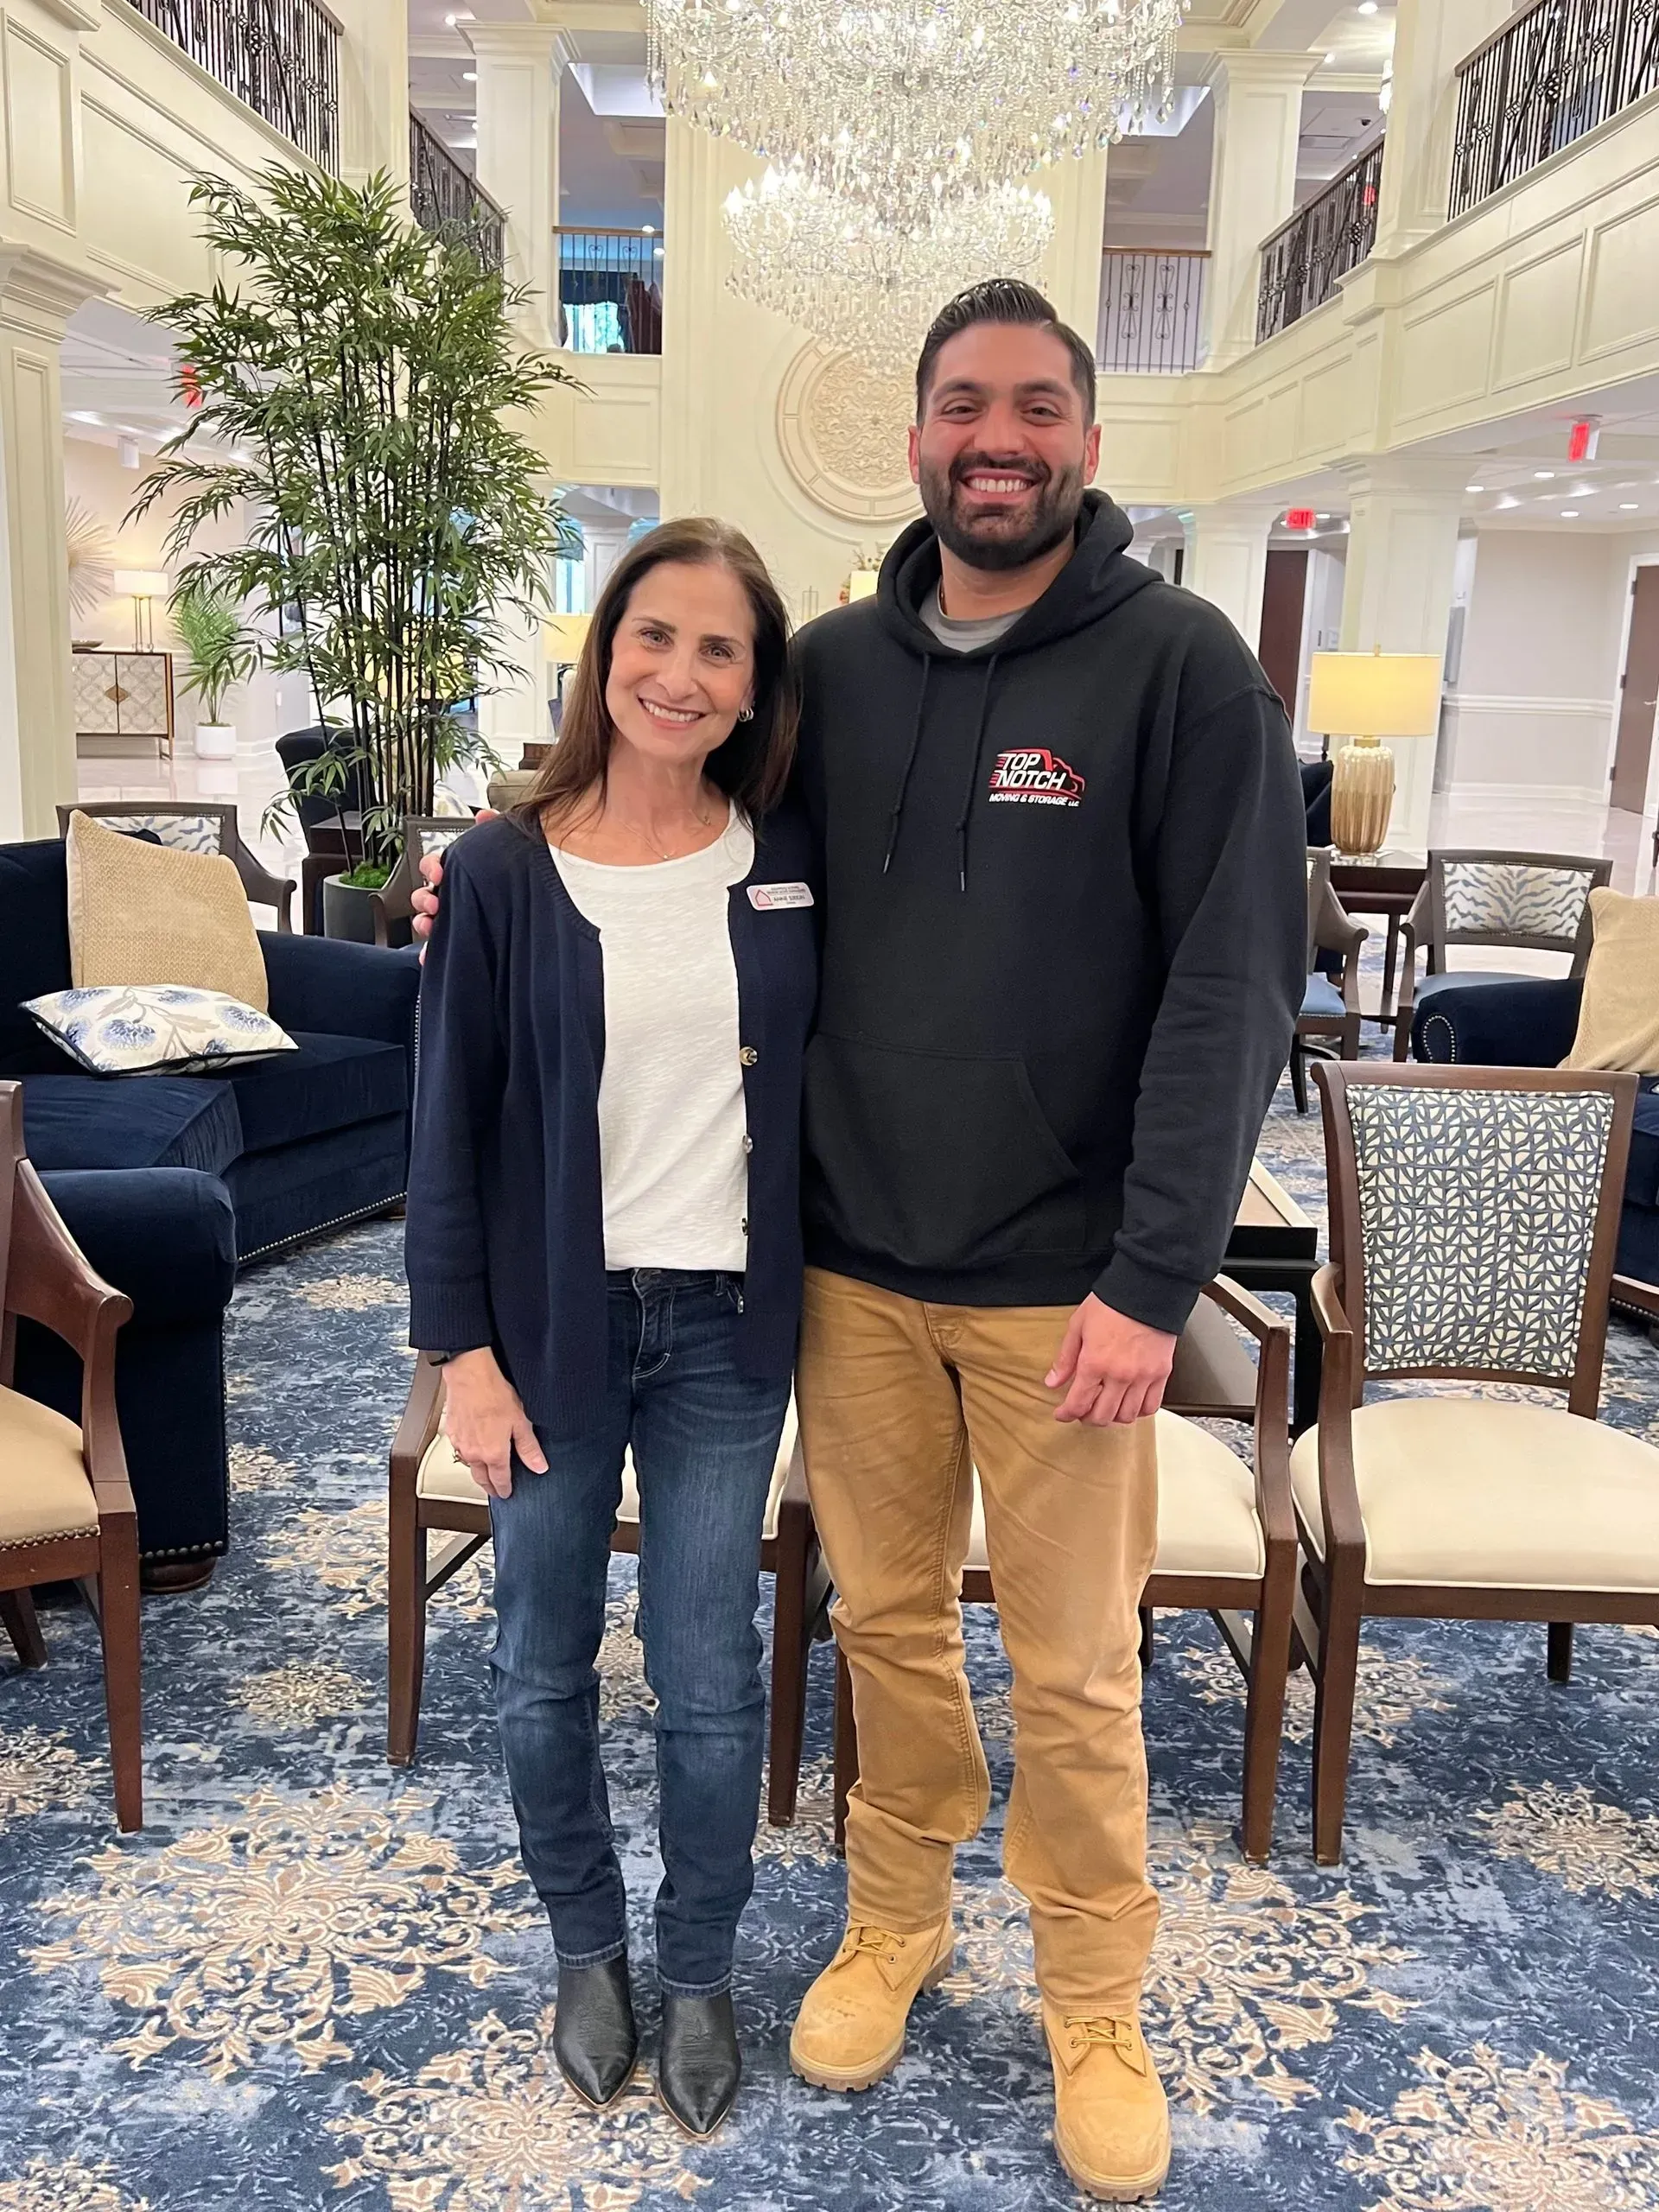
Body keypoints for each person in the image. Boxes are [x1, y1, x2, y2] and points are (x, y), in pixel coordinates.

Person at [416, 282, 1306, 2202]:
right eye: (966, 407)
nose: (1002, 440)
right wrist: (484, 855)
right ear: (918, 436)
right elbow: (664, 821)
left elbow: (1231, 993)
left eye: (1039, 409)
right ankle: (892, 1917)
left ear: (1087, 436)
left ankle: (1095, 1995)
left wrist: (1158, 1275)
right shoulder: (829, 669)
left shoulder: (1181, 669)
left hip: (1070, 1295)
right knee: (889, 1633)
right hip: (840, 1280)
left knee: (1072, 1671)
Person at [404, 517, 817, 2142]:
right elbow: (443, 1132)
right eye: (656, 636)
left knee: (711, 1679)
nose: (681, 673)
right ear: (605, 652)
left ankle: (700, 1967)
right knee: (534, 1667)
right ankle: (590, 1950)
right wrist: (463, 1355)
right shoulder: (501, 872)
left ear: (752, 683)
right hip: (548, 1329)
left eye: (721, 648)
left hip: (725, 1329)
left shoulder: (785, 862)